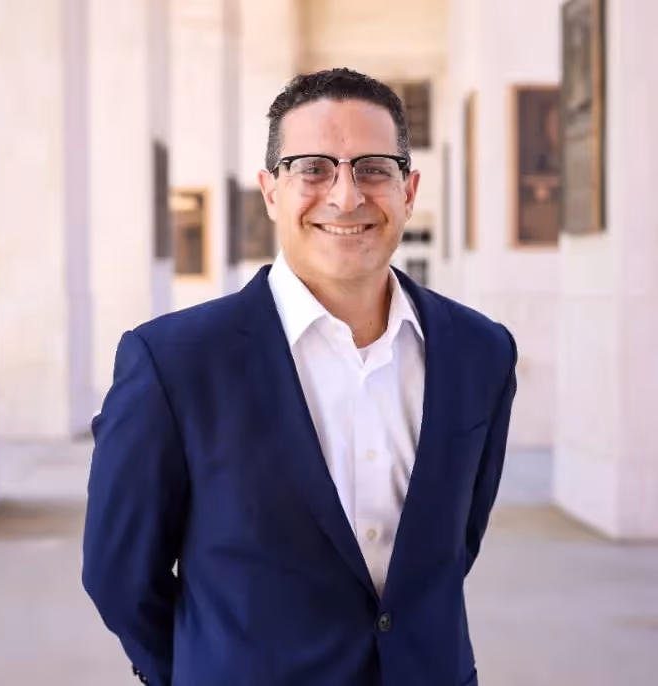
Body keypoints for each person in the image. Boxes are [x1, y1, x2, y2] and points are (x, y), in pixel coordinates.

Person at [82, 67, 518, 686]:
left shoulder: (481, 352)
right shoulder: (173, 364)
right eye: (313, 168)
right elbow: (120, 578)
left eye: (374, 168)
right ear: (270, 191)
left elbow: (452, 550)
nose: (346, 196)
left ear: (409, 189)